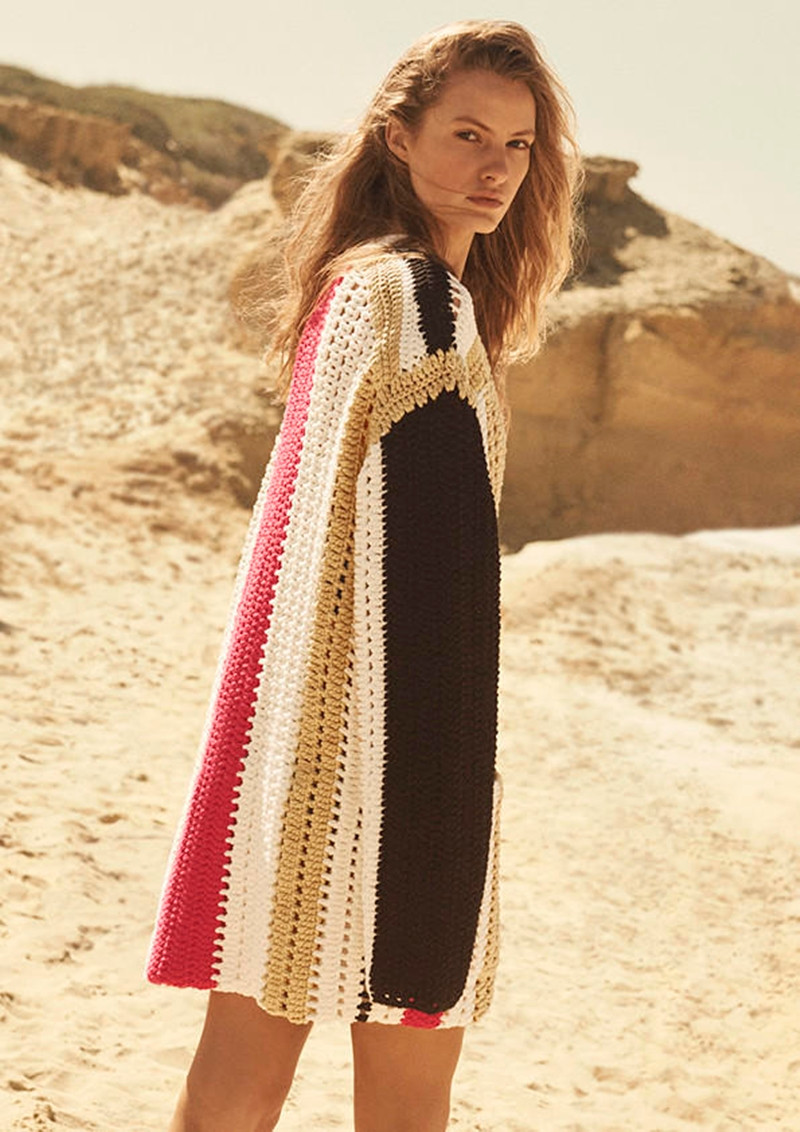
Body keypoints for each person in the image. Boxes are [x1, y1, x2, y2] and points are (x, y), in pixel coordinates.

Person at [146, 18, 582, 1132]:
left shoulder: (354, 288)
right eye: (467, 134)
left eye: (518, 145)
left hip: (287, 747)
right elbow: (439, 579)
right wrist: (454, 803)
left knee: (238, 1075)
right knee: (405, 1094)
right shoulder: (417, 303)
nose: (495, 168)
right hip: (394, 767)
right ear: (398, 136)